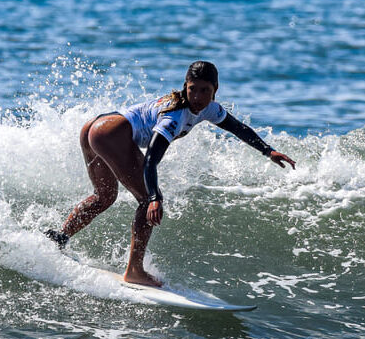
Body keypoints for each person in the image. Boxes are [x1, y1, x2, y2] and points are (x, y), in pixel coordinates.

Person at [46, 61, 296, 287]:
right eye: (192, 89)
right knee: (146, 200)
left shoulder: (210, 109)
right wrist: (154, 197)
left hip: (96, 127)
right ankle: (134, 270)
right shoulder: (174, 117)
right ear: (184, 87)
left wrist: (268, 151)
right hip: (110, 133)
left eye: (204, 91)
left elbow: (237, 128)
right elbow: (151, 162)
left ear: (215, 90)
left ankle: (58, 237)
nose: (197, 96)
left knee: (104, 196)